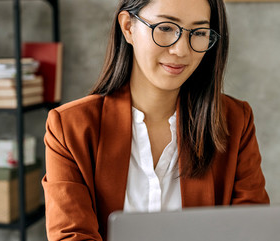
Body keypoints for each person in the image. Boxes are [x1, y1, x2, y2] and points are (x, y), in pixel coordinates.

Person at [42, 0, 270, 240]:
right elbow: (71, 235)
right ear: (128, 27)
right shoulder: (69, 127)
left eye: (200, 32)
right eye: (166, 27)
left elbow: (251, 230)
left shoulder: (235, 122)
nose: (181, 50)